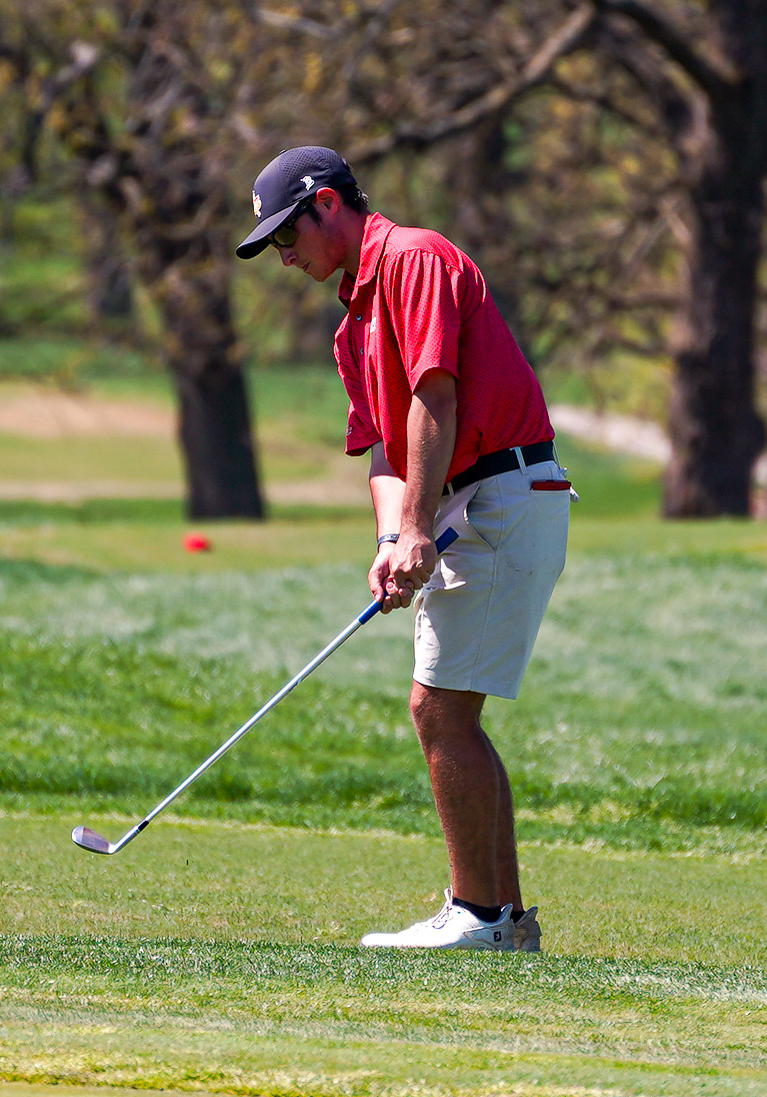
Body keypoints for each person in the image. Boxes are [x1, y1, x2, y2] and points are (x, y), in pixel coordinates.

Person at [236, 146, 571, 952]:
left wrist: (419, 526)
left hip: (499, 491)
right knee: (453, 709)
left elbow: (434, 398)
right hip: (471, 501)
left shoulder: (413, 258)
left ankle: (479, 917)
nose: (284, 257)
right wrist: (393, 538)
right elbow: (386, 446)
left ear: (325, 203)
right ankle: (506, 920)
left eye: (288, 237)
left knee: (439, 708)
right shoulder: (354, 323)